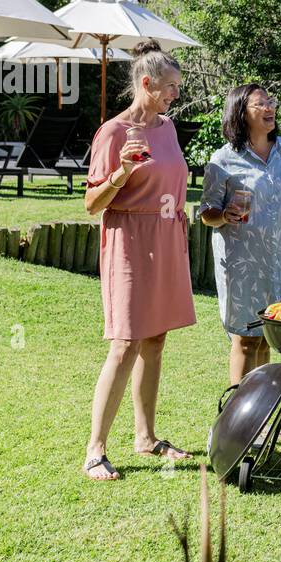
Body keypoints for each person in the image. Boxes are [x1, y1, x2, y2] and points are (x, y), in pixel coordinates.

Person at [82, 41, 197, 481]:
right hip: (128, 239)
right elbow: (93, 203)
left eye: (177, 87)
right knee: (125, 342)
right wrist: (121, 173)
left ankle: (146, 437)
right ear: (145, 84)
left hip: (166, 236)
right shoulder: (112, 132)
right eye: (169, 87)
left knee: (155, 340)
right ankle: (95, 449)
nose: (174, 95)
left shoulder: (167, 128)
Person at [199, 84, 281, 386]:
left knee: (268, 338)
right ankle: (238, 422)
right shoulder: (223, 159)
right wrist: (224, 214)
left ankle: (260, 415)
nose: (270, 108)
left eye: (271, 102)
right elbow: (206, 213)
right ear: (241, 113)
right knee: (245, 339)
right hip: (242, 265)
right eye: (260, 104)